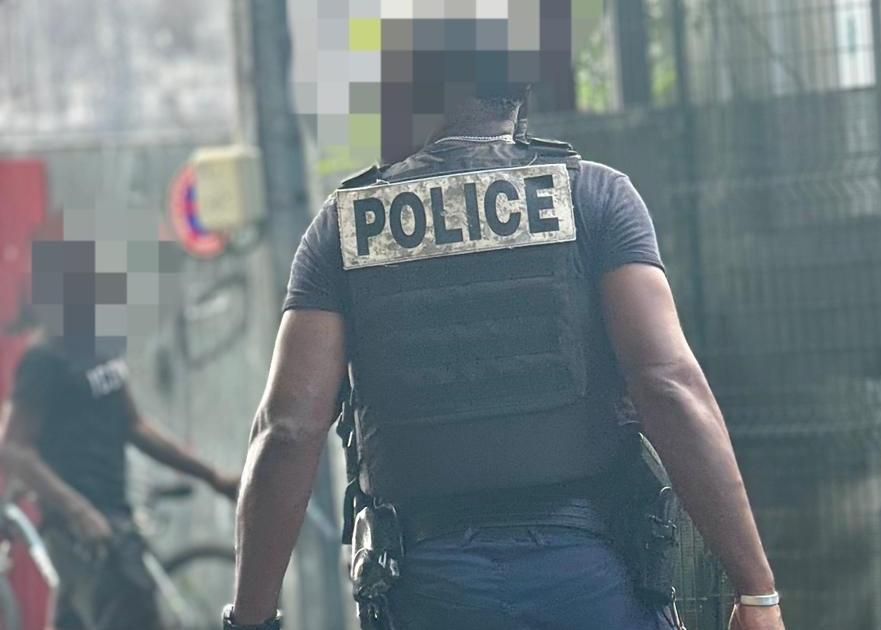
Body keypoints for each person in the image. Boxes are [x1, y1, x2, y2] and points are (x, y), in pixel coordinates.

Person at [227, 12, 784, 630]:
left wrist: (251, 620)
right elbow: (668, 385)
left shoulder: (347, 228)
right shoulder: (593, 199)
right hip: (590, 581)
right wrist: (756, 593)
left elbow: (288, 430)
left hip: (431, 590)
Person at [0, 304, 241, 630]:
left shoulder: (102, 345)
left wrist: (212, 476)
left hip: (114, 515)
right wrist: (79, 512)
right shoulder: (44, 358)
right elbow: (14, 447)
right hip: (83, 535)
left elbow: (134, 425)